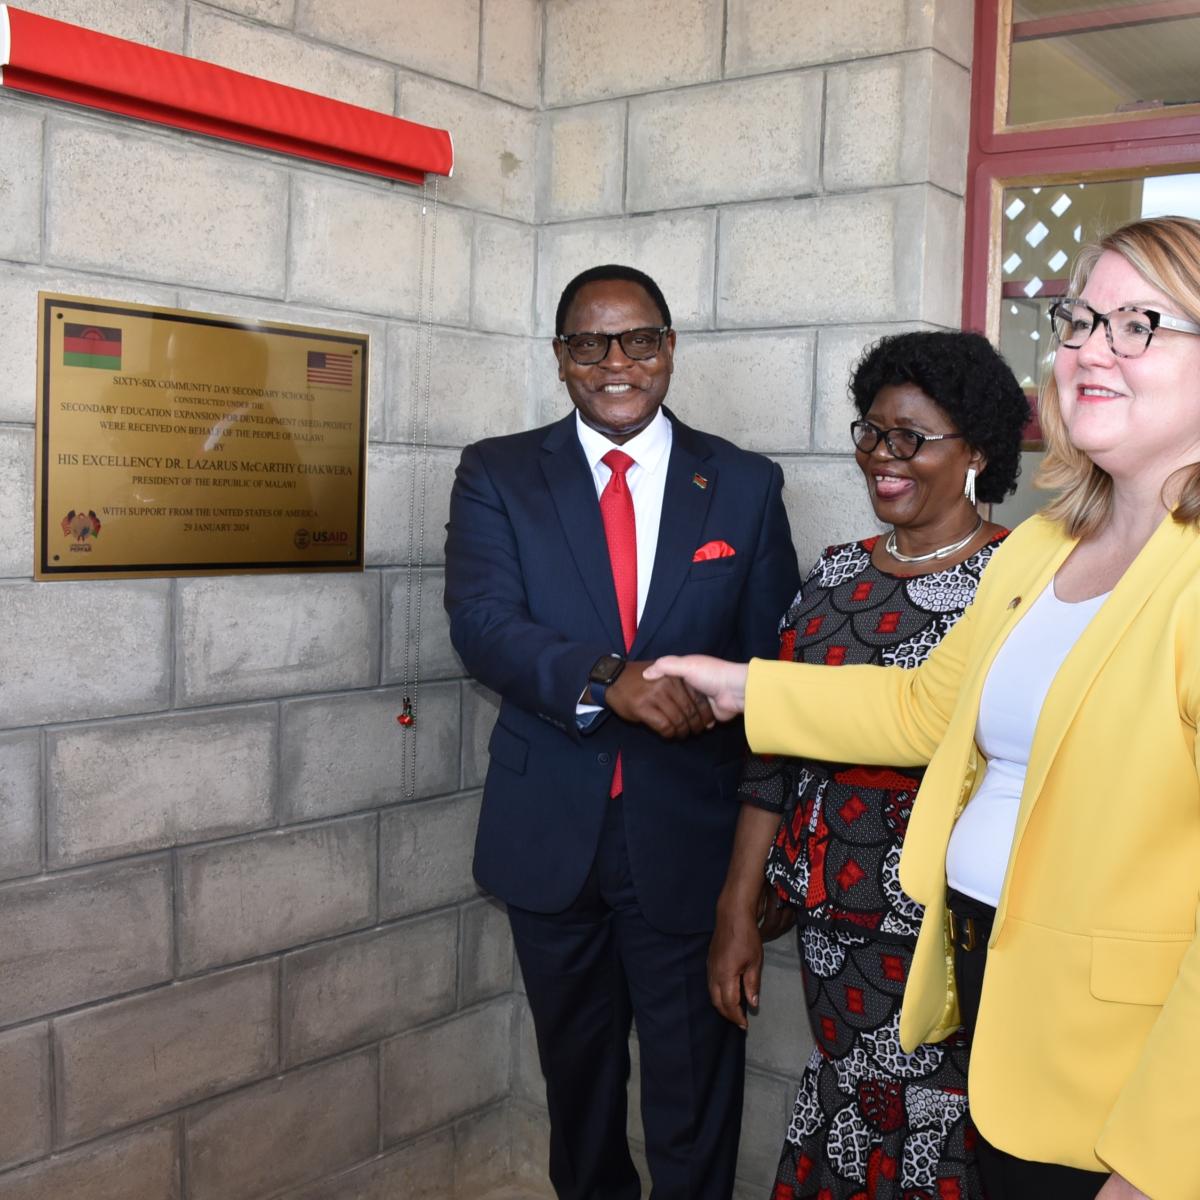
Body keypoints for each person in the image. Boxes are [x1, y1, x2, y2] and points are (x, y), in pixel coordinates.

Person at [646, 215, 1200, 1200]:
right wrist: (742, 687)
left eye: (1141, 323)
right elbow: (921, 710)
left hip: (1123, 1052)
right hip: (989, 984)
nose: (1090, 350)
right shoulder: (1043, 548)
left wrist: (1163, 1158)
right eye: (1079, 323)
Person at [444, 263, 800, 1200]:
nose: (615, 362)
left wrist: (755, 873)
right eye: (588, 343)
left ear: (669, 349)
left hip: (689, 844)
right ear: (560, 359)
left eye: (638, 340)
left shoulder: (746, 487)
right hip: (549, 838)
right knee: (581, 1092)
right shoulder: (499, 472)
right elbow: (482, 625)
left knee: (694, 1100)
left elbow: (775, 683)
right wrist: (612, 679)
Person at [710, 331, 1029, 1200]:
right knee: (851, 1111)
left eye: (912, 438)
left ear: (978, 452)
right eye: (872, 434)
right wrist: (738, 905)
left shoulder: (1020, 583)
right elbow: (772, 754)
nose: (884, 459)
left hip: (949, 934)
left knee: (945, 1126)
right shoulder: (834, 576)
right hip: (832, 925)